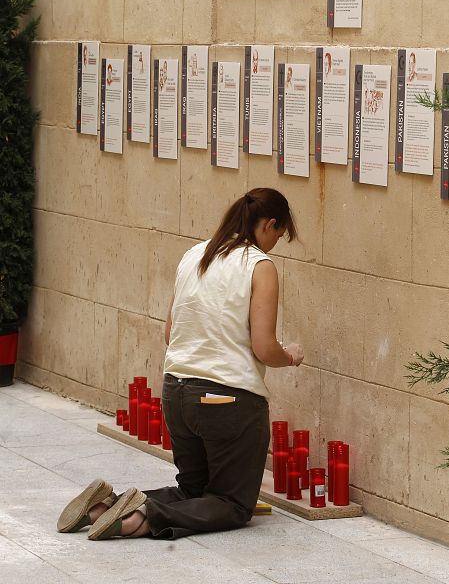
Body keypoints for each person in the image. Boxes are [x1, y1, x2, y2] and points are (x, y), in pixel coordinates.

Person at [56, 189, 304, 541]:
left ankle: (105, 506)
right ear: (270, 224)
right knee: (233, 504)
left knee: (193, 491)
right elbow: (264, 348)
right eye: (279, 235)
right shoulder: (259, 265)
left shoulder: (195, 254)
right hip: (228, 401)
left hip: (176, 393)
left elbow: (171, 333)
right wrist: (289, 355)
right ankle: (139, 517)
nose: (275, 244)